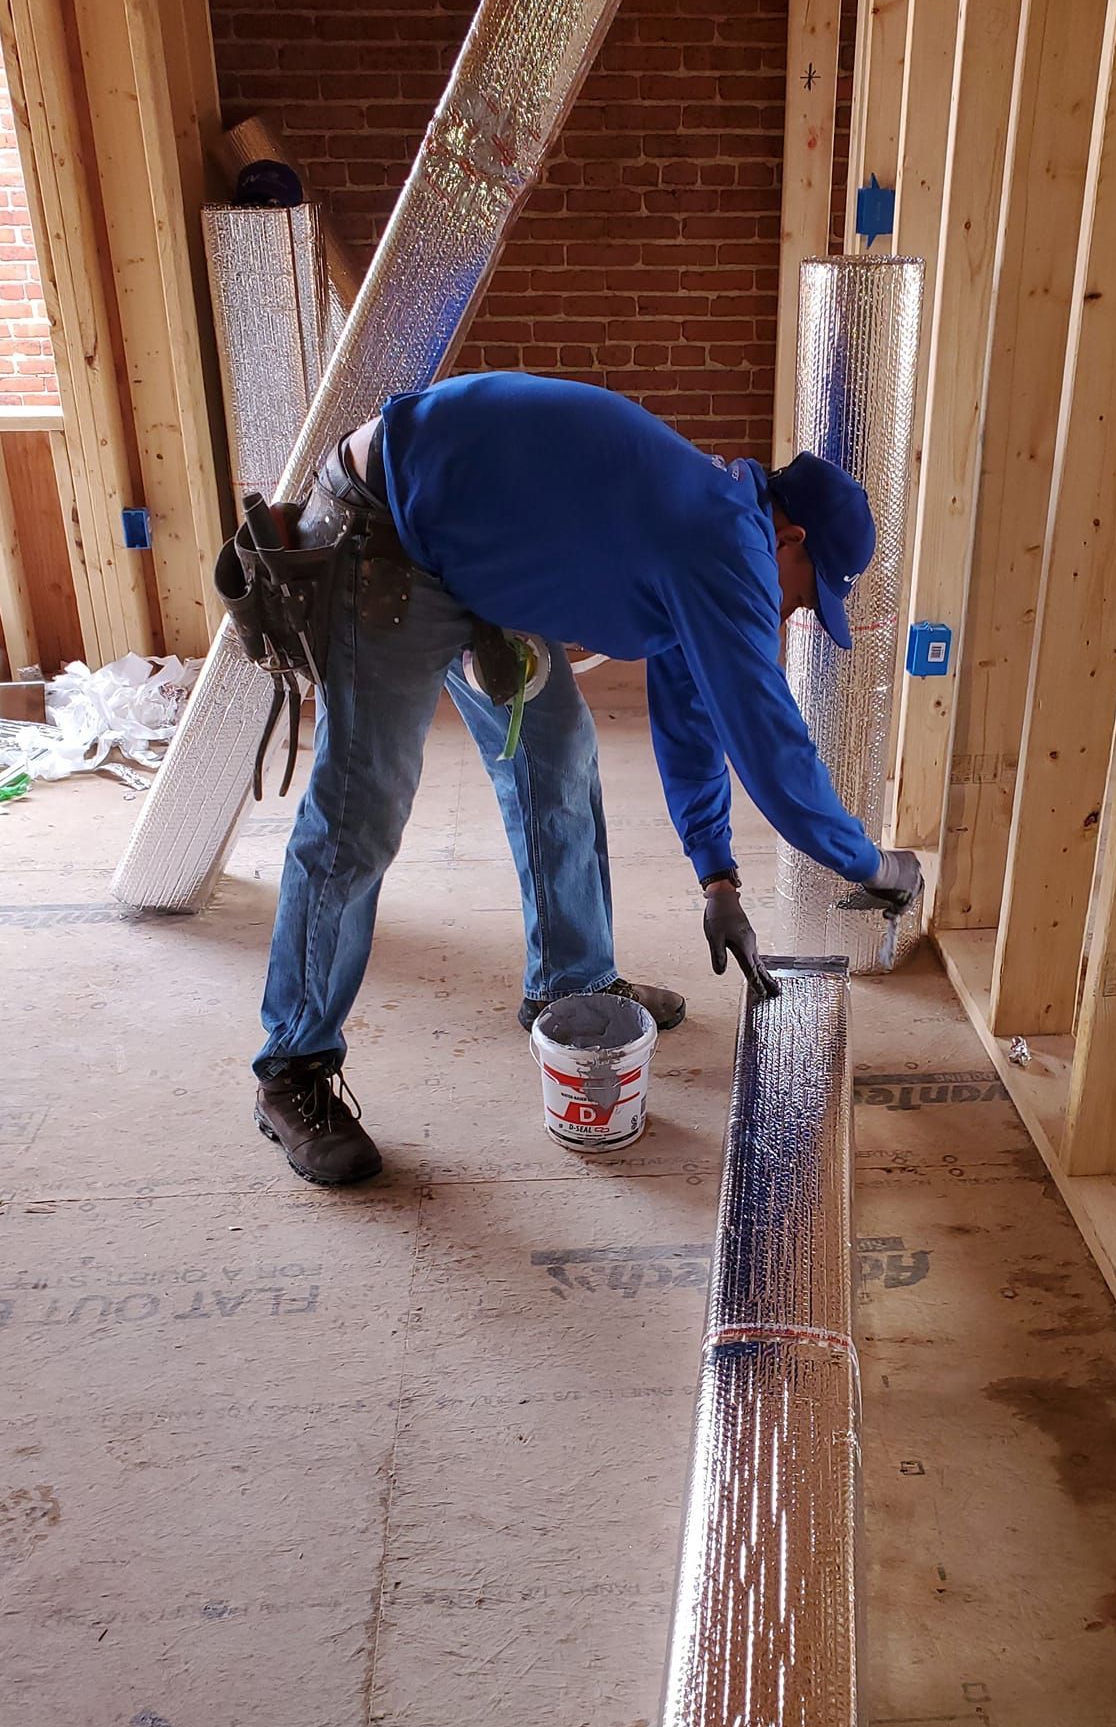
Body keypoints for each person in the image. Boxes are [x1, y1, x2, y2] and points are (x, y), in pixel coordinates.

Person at [250, 372, 922, 1185]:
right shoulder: (724, 546)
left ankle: (569, 985)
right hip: (389, 531)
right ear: (791, 539)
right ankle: (294, 1069)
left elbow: (691, 714)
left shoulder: (710, 525)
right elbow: (773, 752)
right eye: (807, 598)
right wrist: (875, 866)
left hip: (473, 552)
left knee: (557, 754)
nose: (793, 616)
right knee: (364, 804)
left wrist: (718, 879)